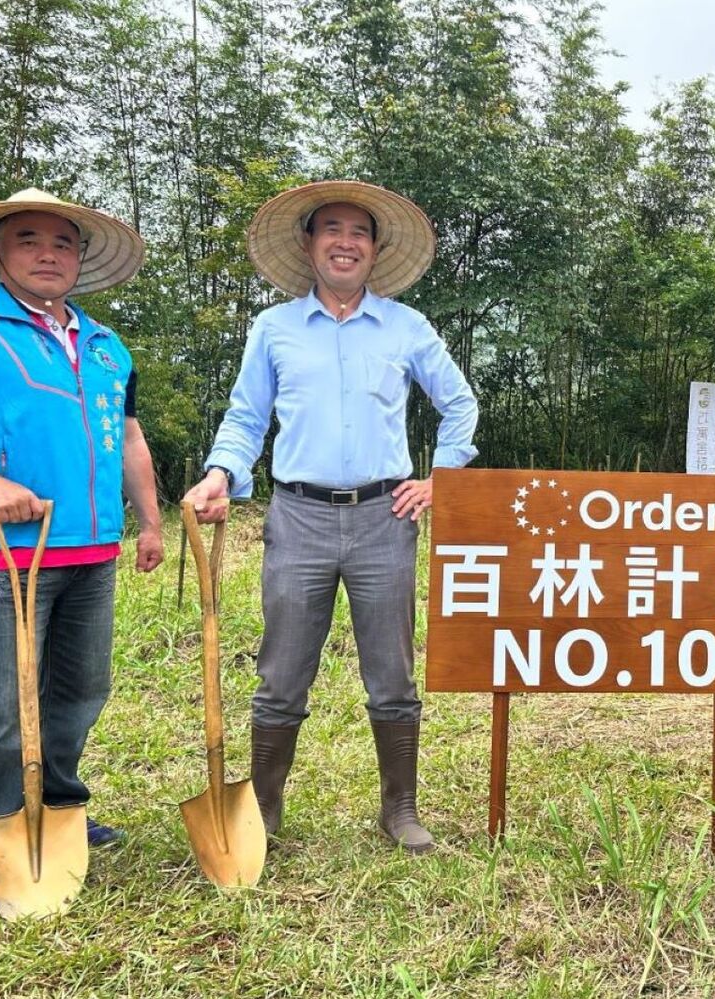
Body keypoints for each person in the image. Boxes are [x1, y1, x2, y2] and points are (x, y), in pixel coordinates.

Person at [182, 181, 478, 854]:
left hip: (384, 516)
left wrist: (441, 479)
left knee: (393, 672)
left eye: (360, 233)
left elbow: (460, 405)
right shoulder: (274, 329)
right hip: (298, 516)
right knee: (281, 669)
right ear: (310, 244)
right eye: (332, 230)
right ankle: (263, 806)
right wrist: (220, 472)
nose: (346, 242)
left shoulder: (406, 327)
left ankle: (400, 808)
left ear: (375, 251)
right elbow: (247, 416)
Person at [0, 188, 163, 911]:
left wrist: (147, 520)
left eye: (62, 242)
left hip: (92, 550)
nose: (48, 253)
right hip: (11, 552)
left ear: (80, 257)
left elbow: (130, 436)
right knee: (0, 703)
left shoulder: (107, 344)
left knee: (79, 690)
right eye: (29, 240)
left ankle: (56, 804)